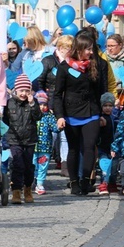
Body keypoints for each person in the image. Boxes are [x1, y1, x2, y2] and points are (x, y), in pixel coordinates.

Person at [53, 31, 107, 196]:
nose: (91, 52)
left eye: (92, 49)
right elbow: (57, 94)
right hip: (71, 113)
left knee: (90, 147)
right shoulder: (64, 67)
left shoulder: (96, 65)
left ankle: (85, 180)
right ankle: (74, 181)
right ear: (79, 49)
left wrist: (103, 112)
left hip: (92, 112)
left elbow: (101, 91)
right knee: (74, 148)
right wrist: (60, 116)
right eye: (88, 49)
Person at [37, 34, 73, 176]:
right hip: (50, 103)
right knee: (51, 135)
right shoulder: (48, 61)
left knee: (65, 135)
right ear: (61, 48)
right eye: (69, 48)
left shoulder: (72, 62)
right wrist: (42, 99)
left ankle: (65, 164)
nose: (71, 51)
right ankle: (42, 165)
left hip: (67, 103)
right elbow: (40, 80)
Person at [4, 73, 42, 204]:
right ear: (16, 89)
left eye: (27, 90)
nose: (24, 93)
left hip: (29, 139)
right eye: (21, 90)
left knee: (28, 166)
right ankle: (16, 191)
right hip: (14, 139)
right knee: (17, 164)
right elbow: (5, 120)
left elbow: (38, 117)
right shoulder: (10, 103)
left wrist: (32, 104)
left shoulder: (32, 103)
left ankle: (27, 189)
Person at [33, 91, 56, 196]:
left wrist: (59, 125)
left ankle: (40, 183)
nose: (42, 107)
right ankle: (32, 181)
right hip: (32, 145)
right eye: (40, 104)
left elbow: (54, 128)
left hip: (45, 146)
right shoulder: (31, 114)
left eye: (44, 105)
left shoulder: (49, 116)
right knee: (33, 165)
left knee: (43, 165)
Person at [97, 92, 118, 195]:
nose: (107, 108)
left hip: (113, 147)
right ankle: (103, 184)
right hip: (103, 147)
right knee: (104, 166)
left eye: (110, 106)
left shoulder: (115, 117)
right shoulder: (100, 118)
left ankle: (112, 183)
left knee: (114, 167)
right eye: (105, 106)